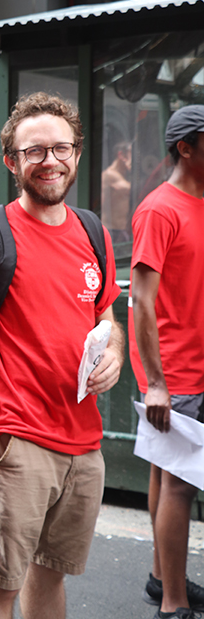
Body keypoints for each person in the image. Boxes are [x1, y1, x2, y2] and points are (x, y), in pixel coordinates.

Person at [0, 92, 124, 619]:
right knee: (0, 580)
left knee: (50, 575)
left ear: (76, 153)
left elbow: (106, 316)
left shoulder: (92, 231)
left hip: (84, 441)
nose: (50, 161)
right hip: (16, 437)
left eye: (60, 148)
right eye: (34, 151)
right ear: (12, 162)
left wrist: (114, 351)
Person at [129, 104, 204, 619]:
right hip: (175, 370)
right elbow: (140, 299)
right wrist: (156, 382)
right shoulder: (159, 209)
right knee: (181, 484)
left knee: (166, 472)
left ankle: (162, 579)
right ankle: (173, 604)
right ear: (186, 148)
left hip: (194, 361)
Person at [101, 141, 132, 243]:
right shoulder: (110, 174)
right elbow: (131, 189)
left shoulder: (124, 174)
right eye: (131, 154)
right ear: (121, 155)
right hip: (112, 230)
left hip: (123, 230)